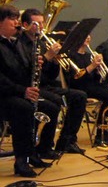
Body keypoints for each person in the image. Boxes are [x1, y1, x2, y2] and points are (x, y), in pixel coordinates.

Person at [19, 9, 88, 155]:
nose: (41, 27)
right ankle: (44, 146)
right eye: (36, 24)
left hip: (45, 85)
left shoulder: (43, 43)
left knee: (79, 96)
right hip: (29, 86)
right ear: (25, 24)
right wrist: (47, 56)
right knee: (54, 102)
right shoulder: (20, 43)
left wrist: (56, 61)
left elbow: (50, 76)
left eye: (42, 23)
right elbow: (26, 72)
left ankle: (66, 141)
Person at [0, 5, 58, 177]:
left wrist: (37, 64)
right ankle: (21, 160)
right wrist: (23, 90)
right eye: (12, 18)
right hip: (5, 94)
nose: (16, 22)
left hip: (18, 91)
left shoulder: (16, 42)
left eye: (17, 18)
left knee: (51, 108)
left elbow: (22, 70)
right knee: (23, 108)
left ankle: (35, 152)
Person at [66, 35, 108, 145]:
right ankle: (101, 134)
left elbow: (97, 78)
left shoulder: (89, 55)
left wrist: (98, 70)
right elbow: (76, 79)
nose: (88, 37)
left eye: (89, 35)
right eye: (84, 35)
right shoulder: (71, 56)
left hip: (92, 86)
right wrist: (92, 66)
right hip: (80, 87)